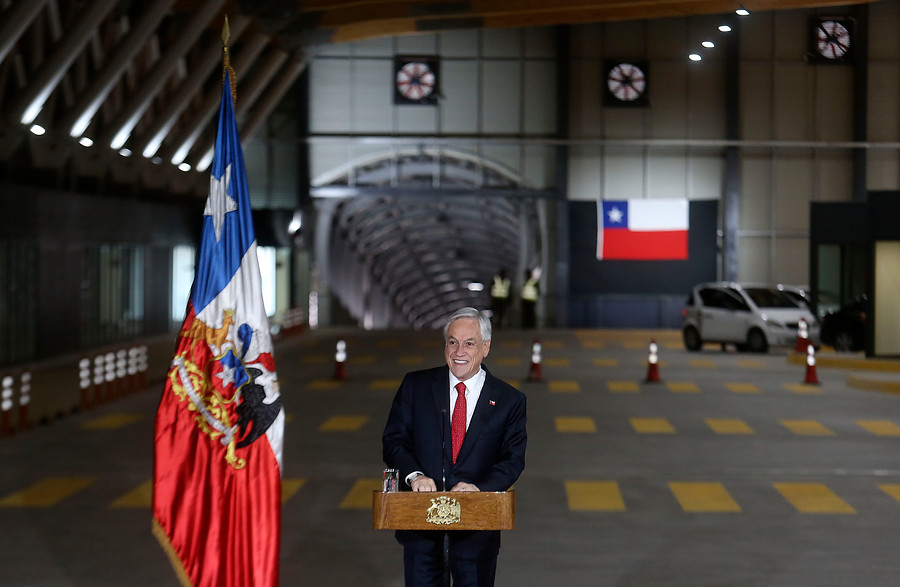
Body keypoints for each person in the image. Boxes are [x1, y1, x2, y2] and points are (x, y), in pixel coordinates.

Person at [382, 307, 527, 587]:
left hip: (476, 532)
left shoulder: (509, 400)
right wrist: (414, 476)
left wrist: (479, 489)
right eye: (452, 342)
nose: (459, 351)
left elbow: (512, 460)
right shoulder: (416, 386)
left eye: (469, 343)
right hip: (421, 530)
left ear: (485, 348)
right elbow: (394, 440)